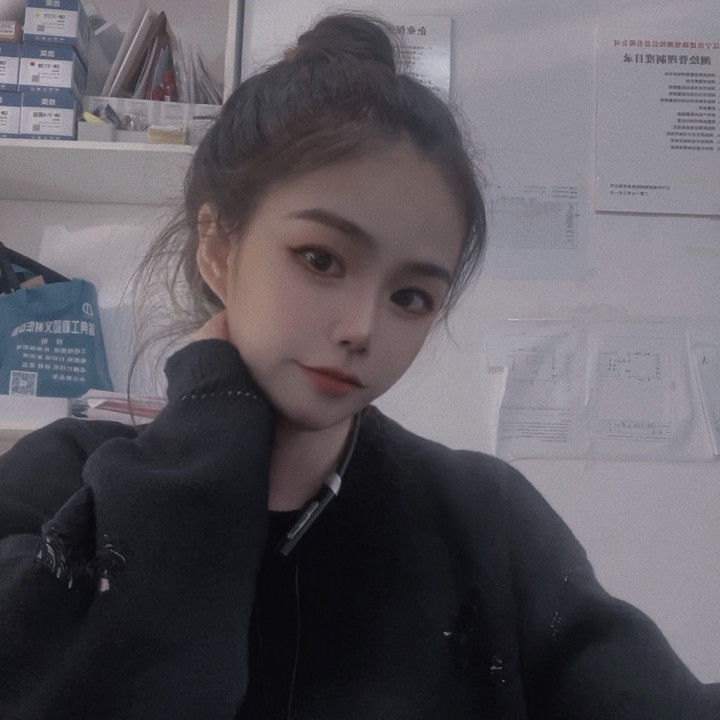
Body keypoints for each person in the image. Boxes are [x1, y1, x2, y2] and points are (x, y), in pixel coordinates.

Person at [0, 12, 717, 720]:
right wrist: (211, 417)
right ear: (218, 248)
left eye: (411, 296)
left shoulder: (484, 520)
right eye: (321, 259)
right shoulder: (58, 480)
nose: (362, 329)